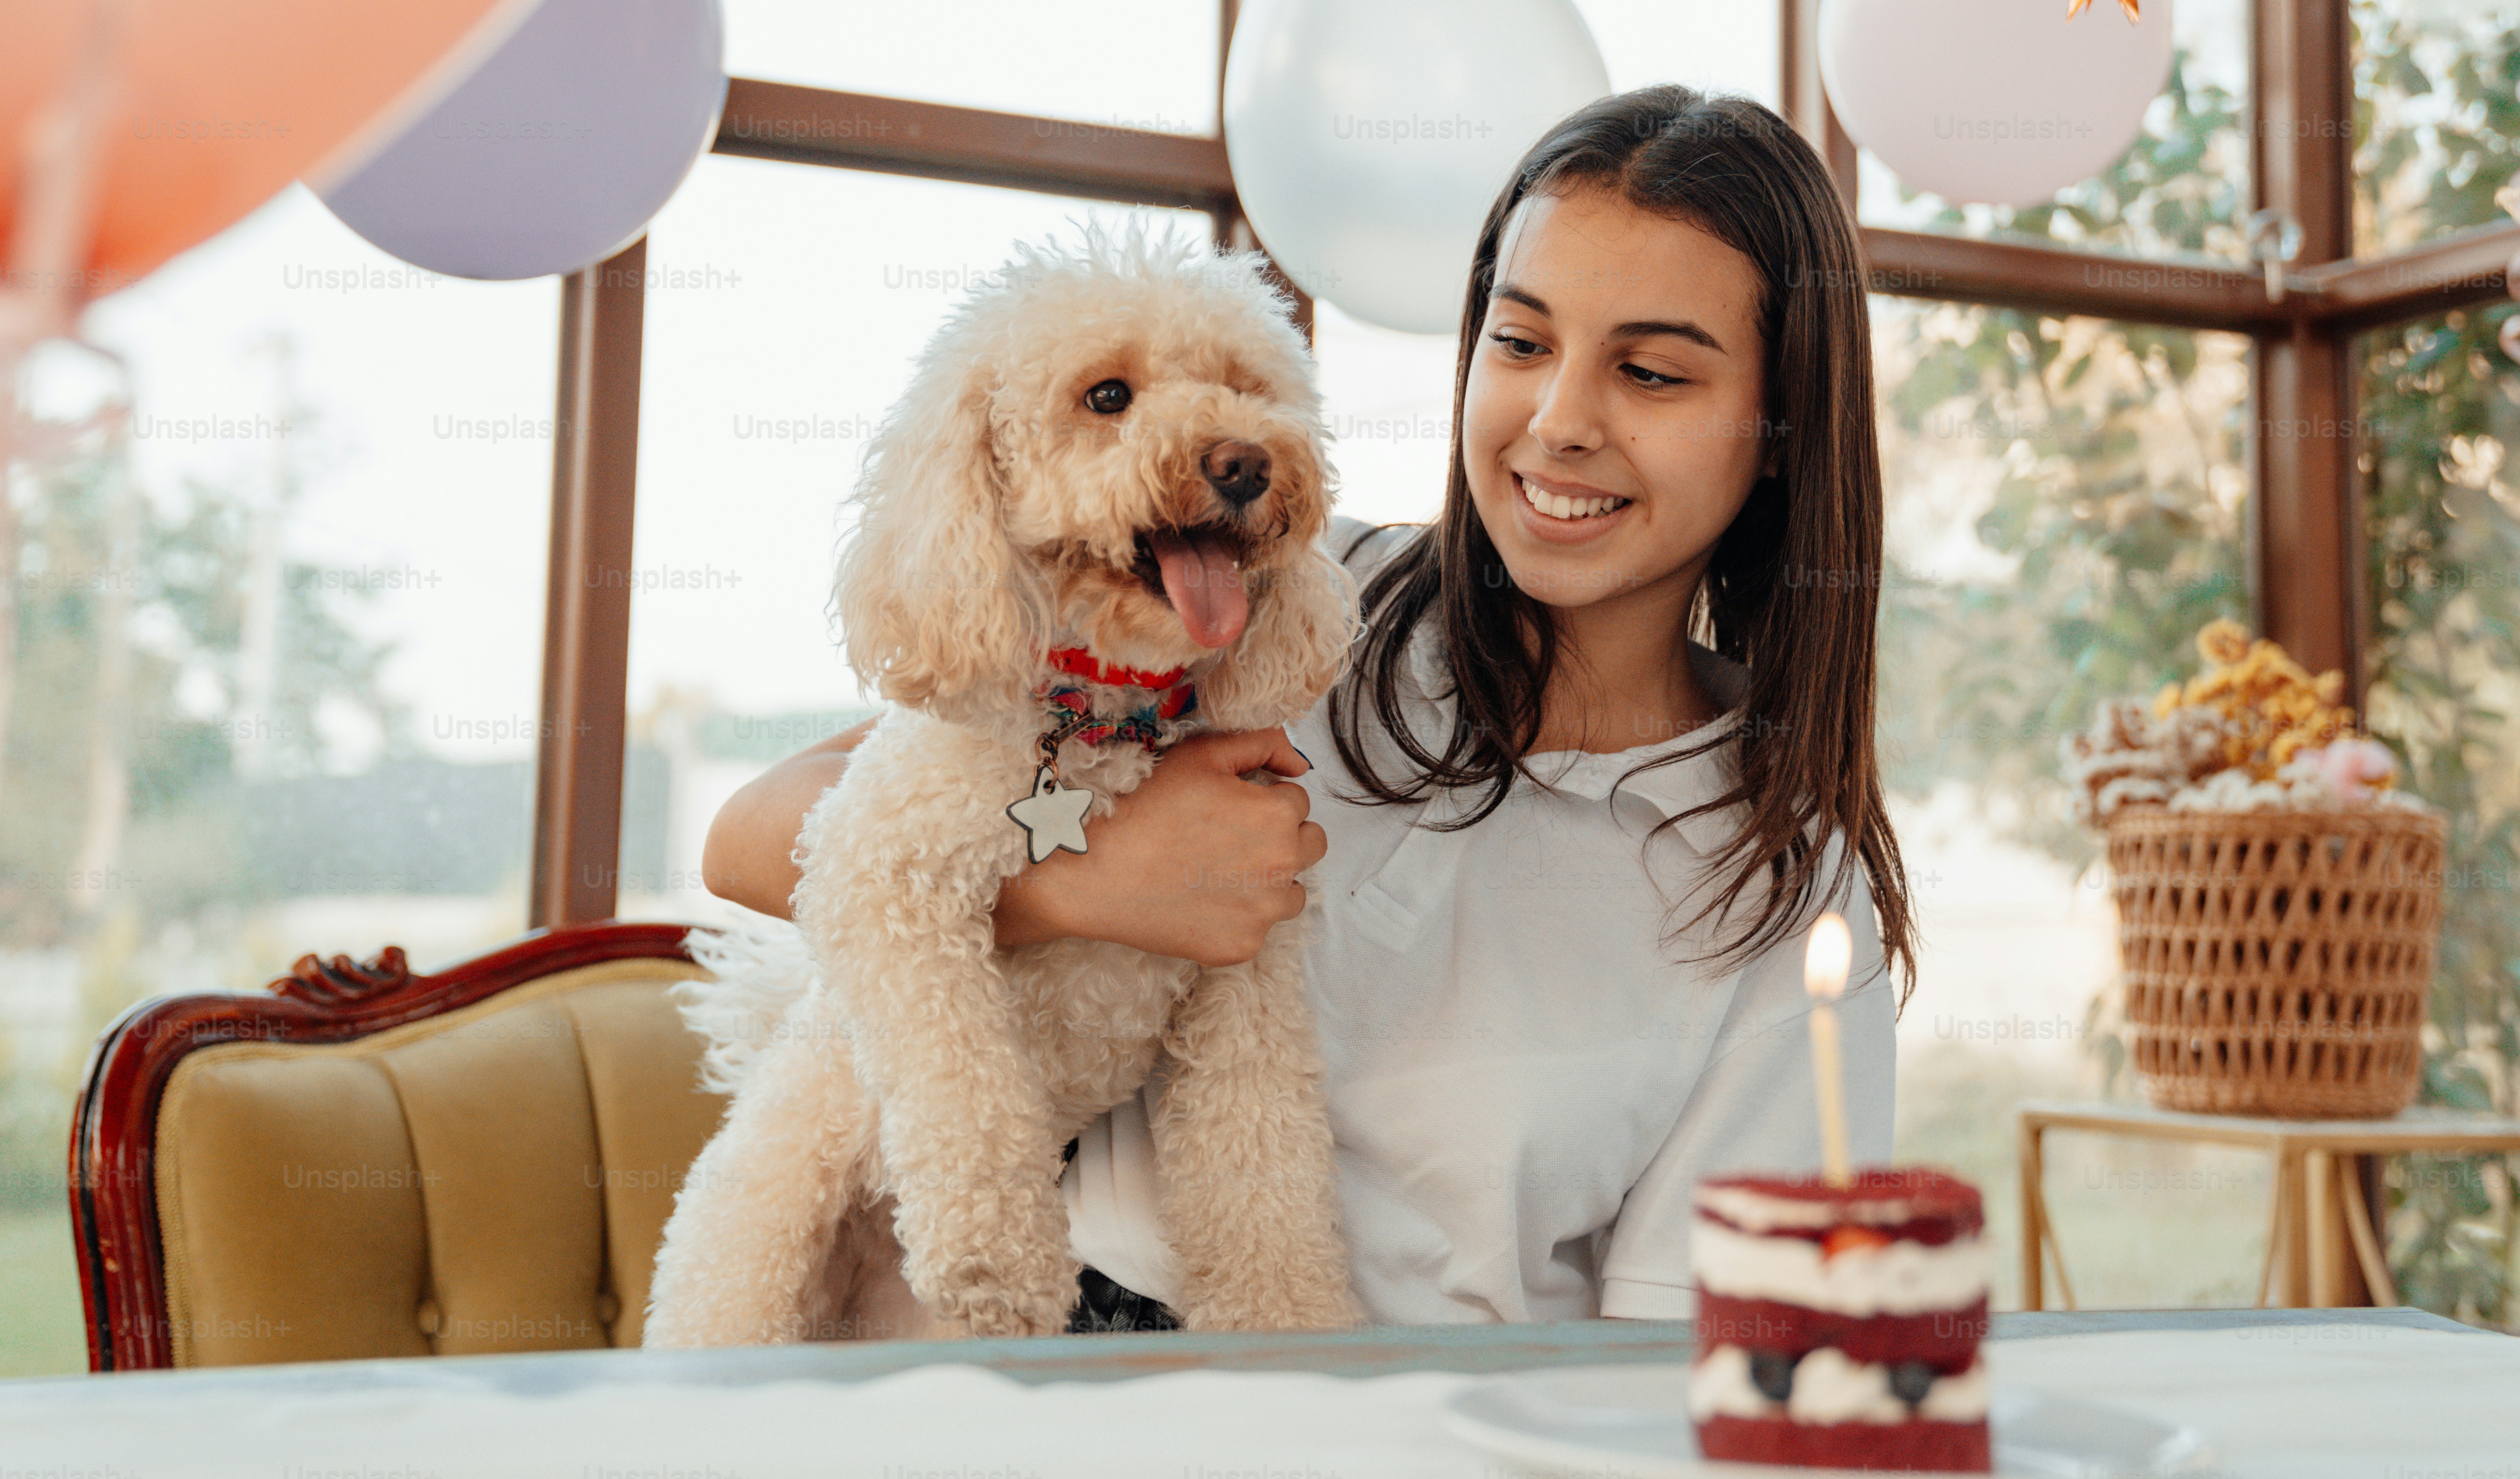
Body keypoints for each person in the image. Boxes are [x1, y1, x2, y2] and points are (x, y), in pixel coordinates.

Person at [701, 84, 1916, 1328]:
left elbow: (1685, 1367)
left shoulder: (1785, 892)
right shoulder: (1265, 595)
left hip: (1408, 1426)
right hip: (1051, 1340)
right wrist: (1085, 874)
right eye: (1521, 343)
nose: (1560, 424)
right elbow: (754, 834)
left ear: (1778, 428)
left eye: (1652, 372)